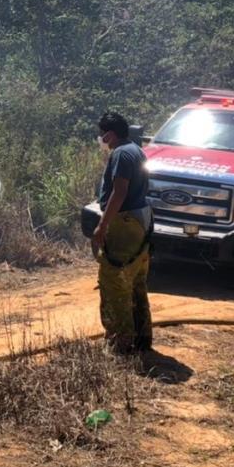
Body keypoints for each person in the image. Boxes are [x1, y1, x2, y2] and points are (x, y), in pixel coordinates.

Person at [91, 112, 153, 354]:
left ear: (109, 134)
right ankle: (142, 338)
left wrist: (102, 225)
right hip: (139, 220)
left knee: (114, 281)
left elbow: (119, 192)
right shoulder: (136, 150)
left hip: (125, 222)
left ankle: (121, 342)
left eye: (102, 134)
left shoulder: (120, 154)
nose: (101, 139)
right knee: (136, 280)